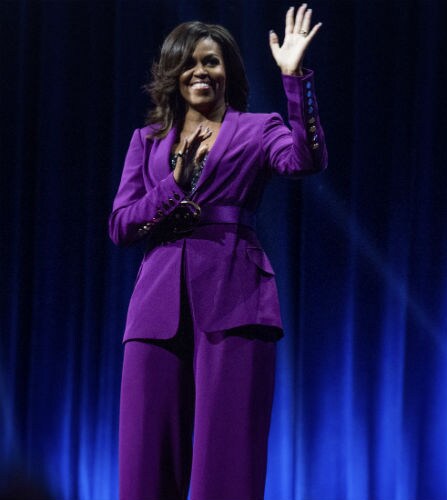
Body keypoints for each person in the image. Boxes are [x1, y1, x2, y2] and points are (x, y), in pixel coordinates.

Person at [108, 4, 326, 500]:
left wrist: (295, 80)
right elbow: (121, 226)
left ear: (228, 71)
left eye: (211, 61)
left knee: (226, 463)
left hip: (235, 301)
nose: (200, 72)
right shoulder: (147, 141)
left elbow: (304, 159)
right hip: (155, 311)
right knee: (145, 462)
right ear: (173, 75)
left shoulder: (258, 128)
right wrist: (173, 185)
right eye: (188, 63)